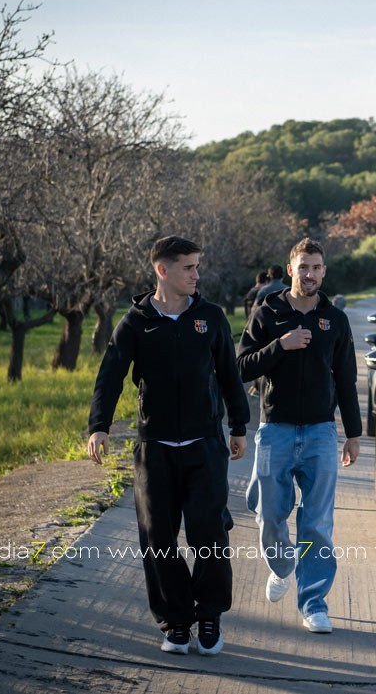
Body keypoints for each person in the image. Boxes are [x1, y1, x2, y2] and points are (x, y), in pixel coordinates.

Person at [86, 236, 249, 657]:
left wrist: (239, 426)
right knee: (158, 537)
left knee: (207, 532)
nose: (197, 275)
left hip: (204, 446)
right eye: (188, 267)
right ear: (163, 270)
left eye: (197, 266)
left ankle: (209, 615)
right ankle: (176, 622)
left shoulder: (209, 317)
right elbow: (110, 375)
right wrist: (98, 426)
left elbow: (230, 374)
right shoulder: (136, 322)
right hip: (154, 448)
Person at [237, 237, 360, 635]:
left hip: (322, 432)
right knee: (268, 513)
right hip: (276, 430)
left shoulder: (334, 320)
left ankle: (313, 603)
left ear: (324, 272)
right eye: (303, 267)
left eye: (317, 268)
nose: (310, 274)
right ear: (290, 269)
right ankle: (282, 565)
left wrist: (353, 434)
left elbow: (346, 379)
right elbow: (240, 367)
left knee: (317, 523)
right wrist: (280, 346)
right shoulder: (267, 312)